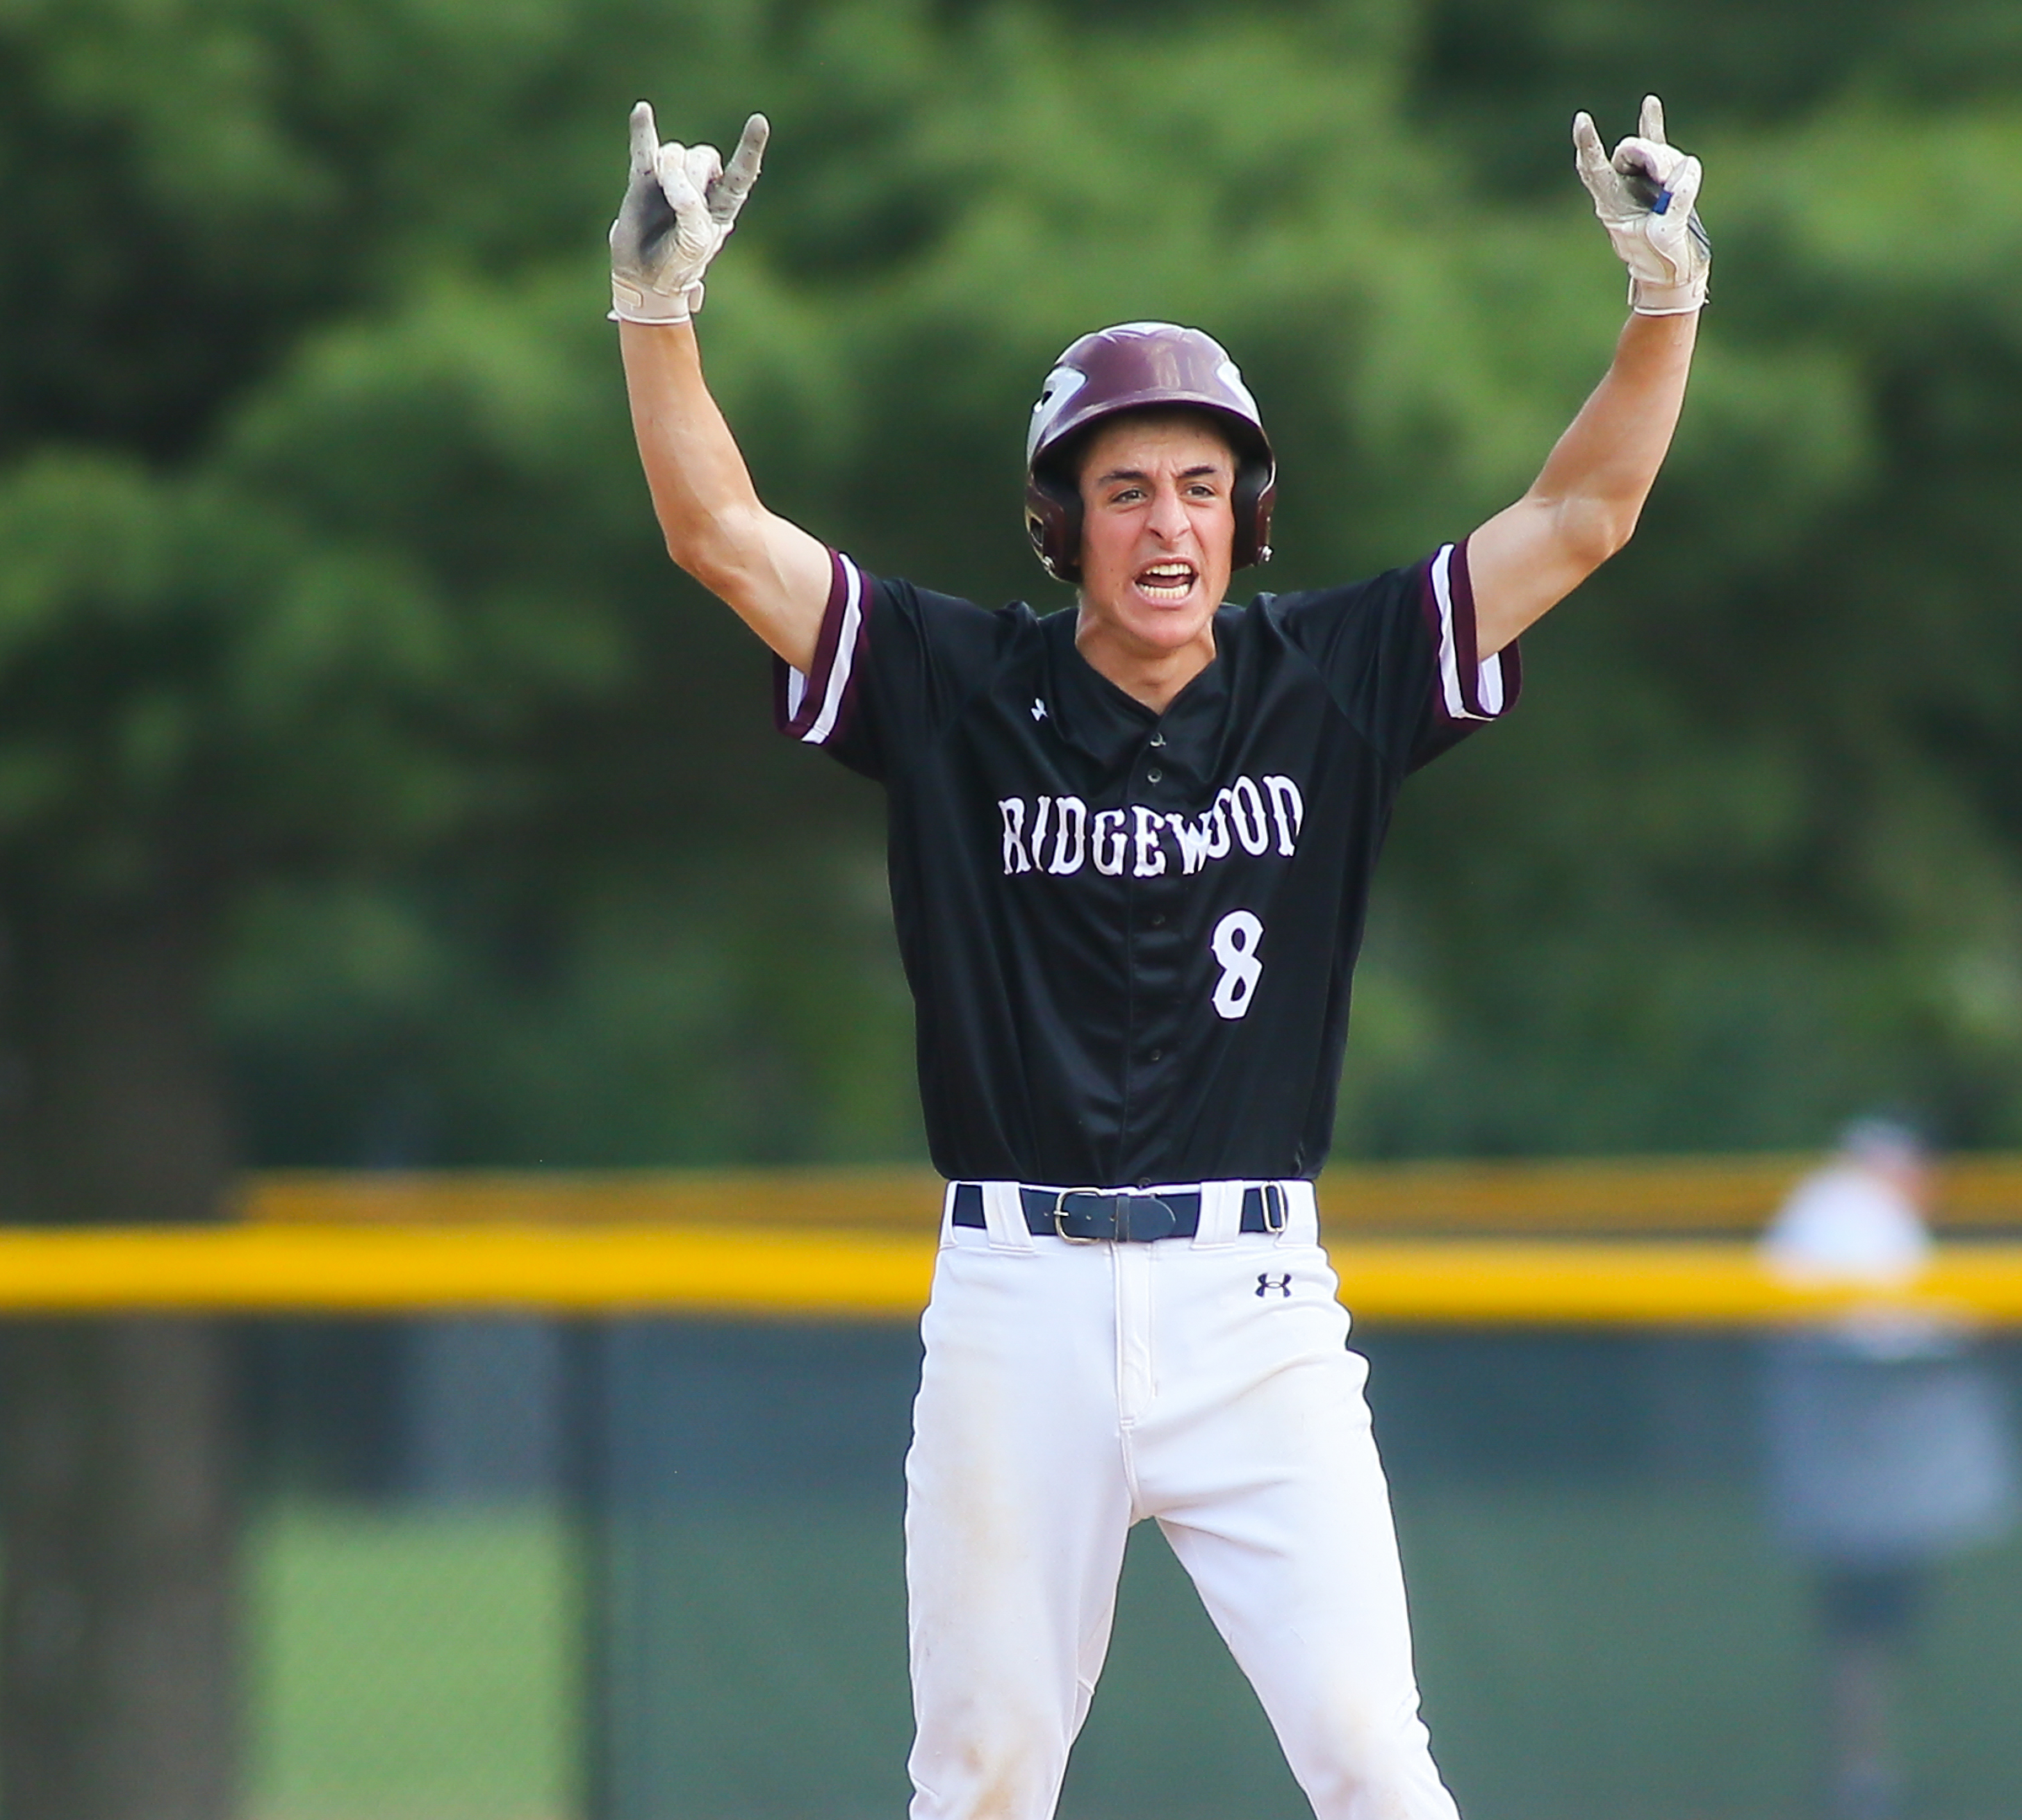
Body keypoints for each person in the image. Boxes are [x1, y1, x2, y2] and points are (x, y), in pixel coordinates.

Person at [611, 91, 1704, 1820]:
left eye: (1203, 485)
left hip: (1256, 1308)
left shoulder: (1325, 680)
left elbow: (1579, 520)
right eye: (1126, 490)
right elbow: (719, 539)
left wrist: (1665, 303)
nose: (1169, 525)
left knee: (1374, 1767)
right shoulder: (959, 687)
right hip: (1016, 1297)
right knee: (979, 1782)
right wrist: (657, 317)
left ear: (1247, 516)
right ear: (1065, 524)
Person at [1760, 1119, 2022, 1820]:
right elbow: (1880, 1333)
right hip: (1868, 1473)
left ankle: (1868, 1772)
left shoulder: (1834, 1207)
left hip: (1860, 1474)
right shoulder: (1852, 1211)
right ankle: (1864, 1777)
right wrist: (1967, 1321)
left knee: (1864, 1634)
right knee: (1864, 1631)